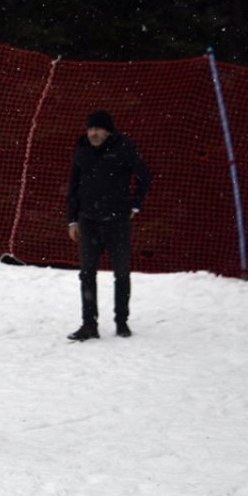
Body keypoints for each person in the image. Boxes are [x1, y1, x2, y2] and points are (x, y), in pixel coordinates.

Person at [66, 109, 151, 340]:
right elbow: (73, 186)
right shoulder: (82, 149)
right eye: (90, 128)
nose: (93, 133)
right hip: (88, 221)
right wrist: (72, 219)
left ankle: (121, 322)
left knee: (121, 274)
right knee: (86, 274)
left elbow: (144, 176)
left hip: (118, 223)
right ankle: (88, 324)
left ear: (108, 131)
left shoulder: (124, 148)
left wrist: (135, 205)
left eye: (97, 129)